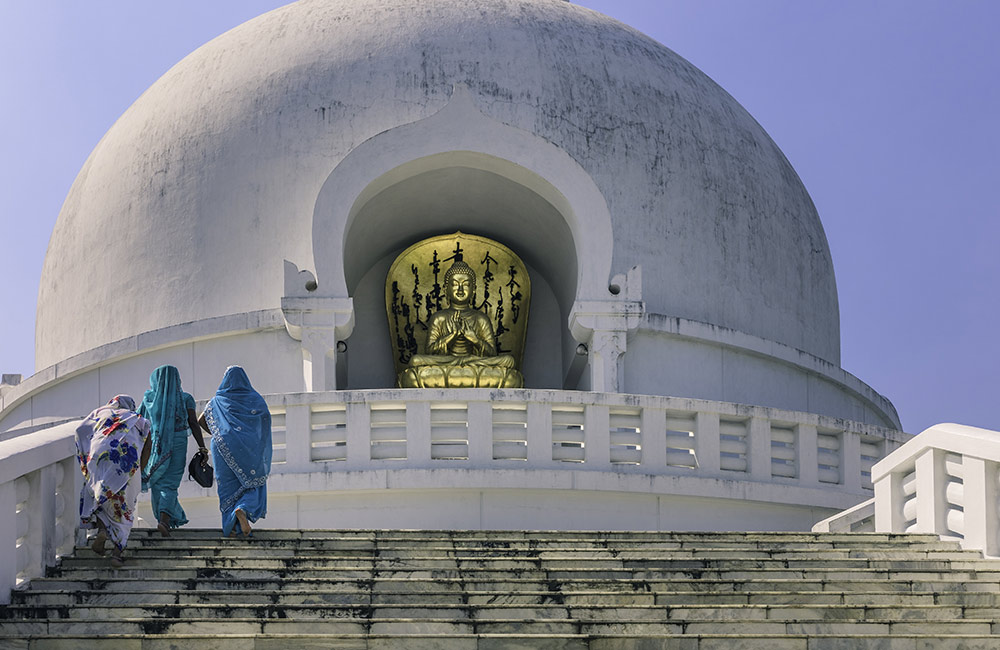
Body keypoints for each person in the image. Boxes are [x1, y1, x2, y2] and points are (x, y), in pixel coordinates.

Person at [75, 395, 151, 567]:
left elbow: (80, 430)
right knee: (125, 507)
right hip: (125, 462)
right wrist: (139, 470)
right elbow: (148, 446)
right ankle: (116, 554)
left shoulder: (100, 412)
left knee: (101, 497)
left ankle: (102, 531)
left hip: (99, 457)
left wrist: (86, 453)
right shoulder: (138, 419)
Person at [199, 366, 271, 538]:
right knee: (253, 483)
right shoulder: (255, 400)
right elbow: (265, 421)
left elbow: (201, 420)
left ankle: (231, 528)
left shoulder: (217, 401)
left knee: (227, 488)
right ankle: (243, 508)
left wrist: (220, 434)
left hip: (222, 447)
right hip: (248, 448)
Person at [139, 365, 208, 537]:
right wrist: (202, 447)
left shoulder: (149, 400)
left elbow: (139, 425)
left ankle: (164, 519)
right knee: (170, 484)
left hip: (156, 446)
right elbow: (193, 422)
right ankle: (164, 520)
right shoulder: (185, 399)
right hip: (178, 445)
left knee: (157, 481)